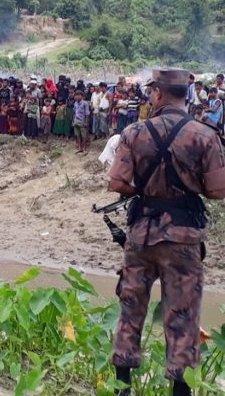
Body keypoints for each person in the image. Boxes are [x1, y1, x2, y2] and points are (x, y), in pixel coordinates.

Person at [108, 69, 225, 396]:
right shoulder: (204, 135)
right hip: (183, 239)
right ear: (185, 94)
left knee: (131, 308)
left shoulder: (134, 133)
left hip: (141, 234)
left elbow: (116, 183)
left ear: (158, 93)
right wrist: (188, 187)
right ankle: (179, 389)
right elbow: (218, 191)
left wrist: (145, 189)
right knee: (183, 314)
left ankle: (122, 388)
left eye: (151, 92)